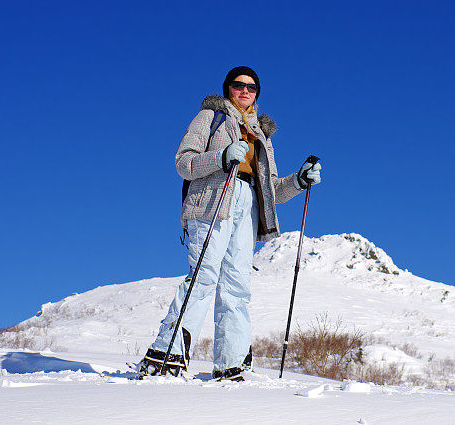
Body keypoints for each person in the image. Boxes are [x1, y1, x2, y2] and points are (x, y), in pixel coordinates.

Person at [137, 66, 321, 381]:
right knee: (204, 275)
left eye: (251, 87)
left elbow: (272, 190)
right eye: (238, 85)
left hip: (249, 204)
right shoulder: (210, 117)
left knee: (238, 285)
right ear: (228, 89)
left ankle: (231, 362)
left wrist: (300, 181)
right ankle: (167, 354)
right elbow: (184, 162)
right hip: (213, 200)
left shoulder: (262, 135)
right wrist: (221, 157)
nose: (245, 91)